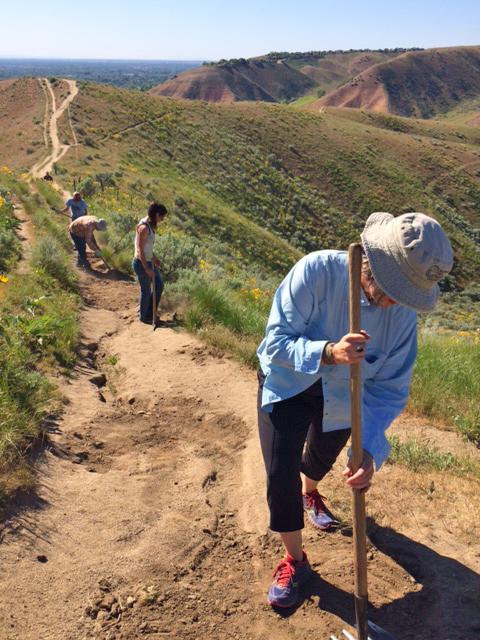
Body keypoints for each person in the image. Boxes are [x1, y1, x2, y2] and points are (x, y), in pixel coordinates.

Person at [257, 211, 453, 608]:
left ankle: (311, 492)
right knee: (280, 472)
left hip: (346, 396)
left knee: (323, 457)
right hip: (289, 381)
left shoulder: (401, 319)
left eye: (407, 293)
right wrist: (328, 352)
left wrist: (370, 451)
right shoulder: (316, 271)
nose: (396, 301)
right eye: (394, 287)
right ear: (372, 261)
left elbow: (389, 390)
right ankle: (296, 559)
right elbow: (275, 344)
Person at [132, 202, 167, 325]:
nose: (162, 220)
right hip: (141, 263)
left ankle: (150, 311)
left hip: (149, 260)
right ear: (157, 214)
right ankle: (144, 317)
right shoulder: (144, 227)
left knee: (159, 285)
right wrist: (146, 268)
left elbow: (147, 247)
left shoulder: (150, 223)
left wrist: (154, 257)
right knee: (146, 291)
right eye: (162, 217)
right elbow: (140, 249)